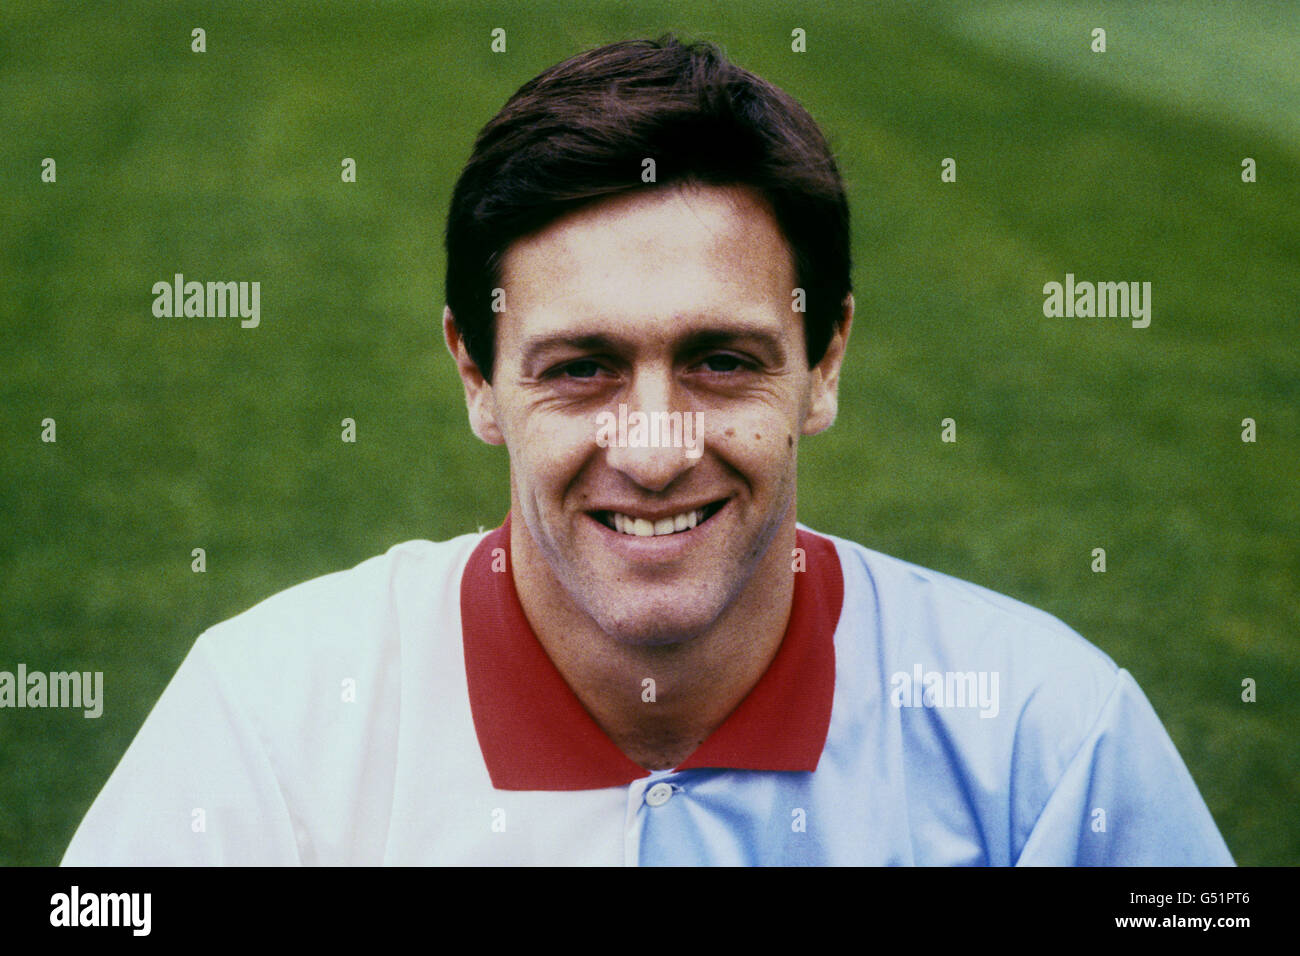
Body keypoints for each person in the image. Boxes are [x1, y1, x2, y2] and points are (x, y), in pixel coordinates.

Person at [63, 36, 1233, 866]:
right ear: (476, 373)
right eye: (582, 367)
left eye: (722, 358)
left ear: (824, 361)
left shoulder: (1047, 736)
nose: (659, 447)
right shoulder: (265, 720)